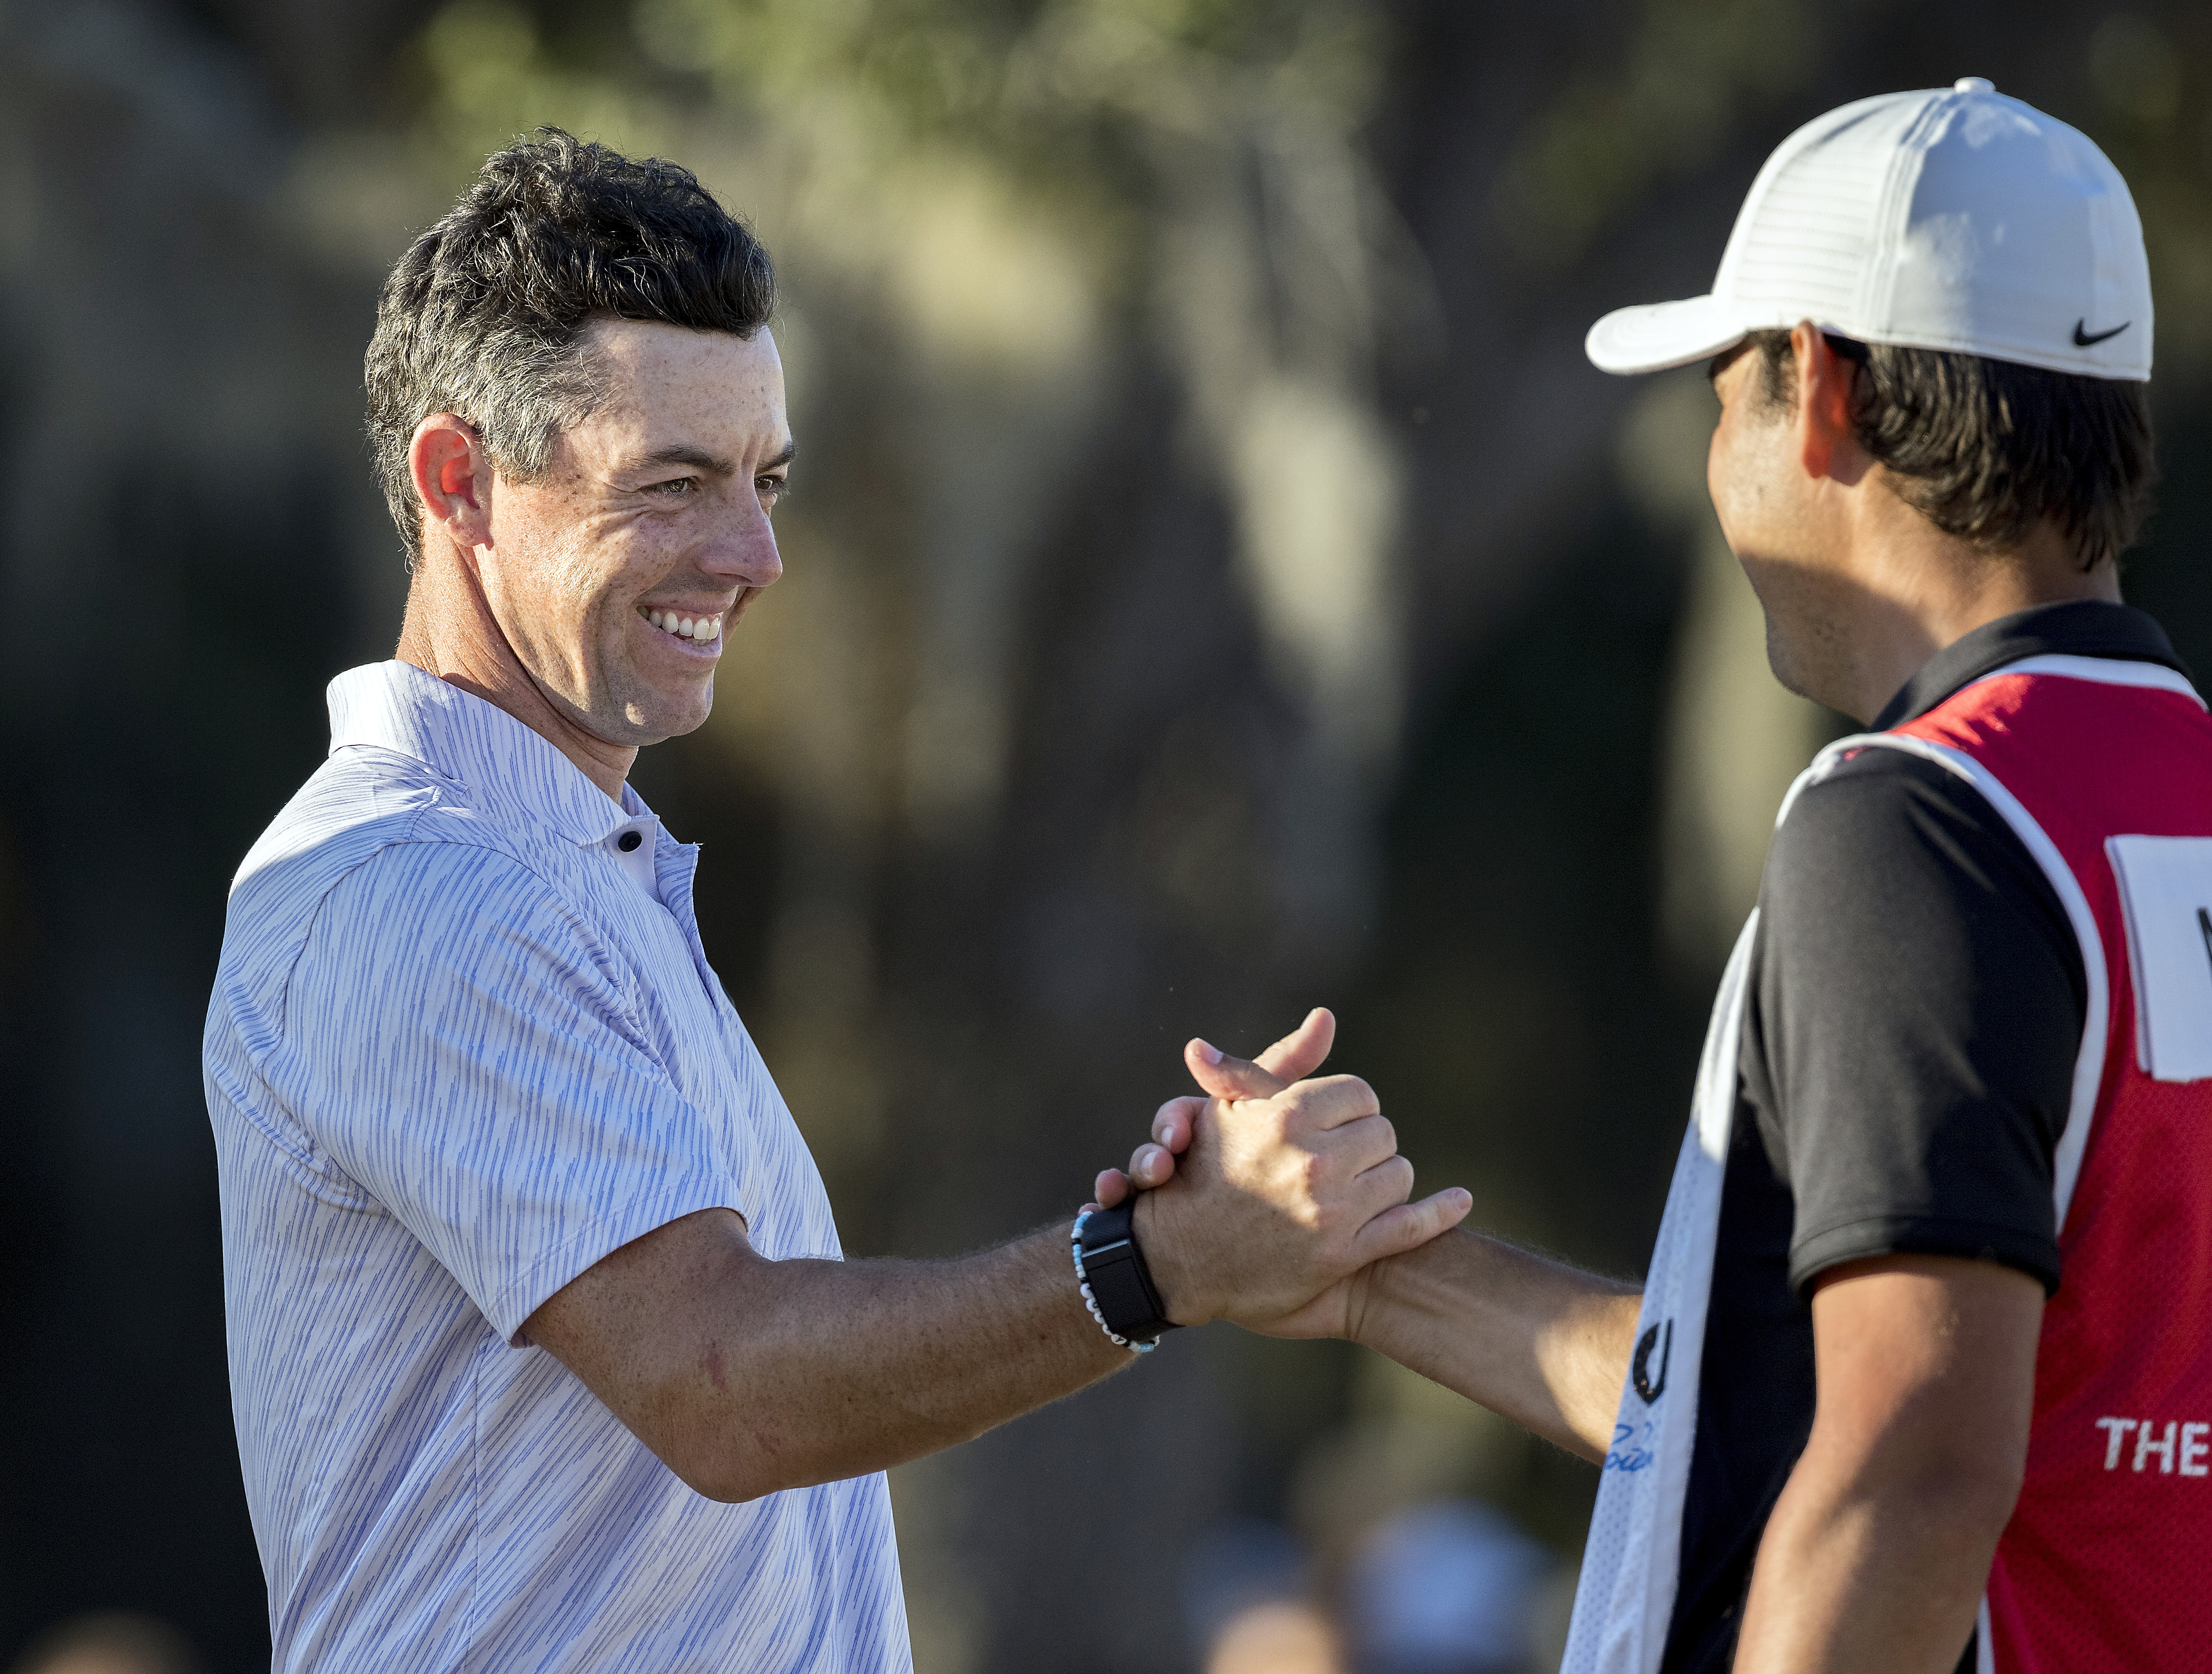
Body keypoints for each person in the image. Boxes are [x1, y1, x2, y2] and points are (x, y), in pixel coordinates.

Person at [1110, 78, 2212, 1673]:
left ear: (1820, 391)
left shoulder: (1930, 817)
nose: (1718, 457)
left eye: (1719, 393)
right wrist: (1379, 1287)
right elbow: (1812, 1417)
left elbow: (1911, 1470)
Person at [200, 130, 1470, 1672]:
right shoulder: (413, 887)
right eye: (676, 484)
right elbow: (730, 1385)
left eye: (765, 480)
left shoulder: (550, 869)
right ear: (461, 482)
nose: (756, 554)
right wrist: (1154, 1265)